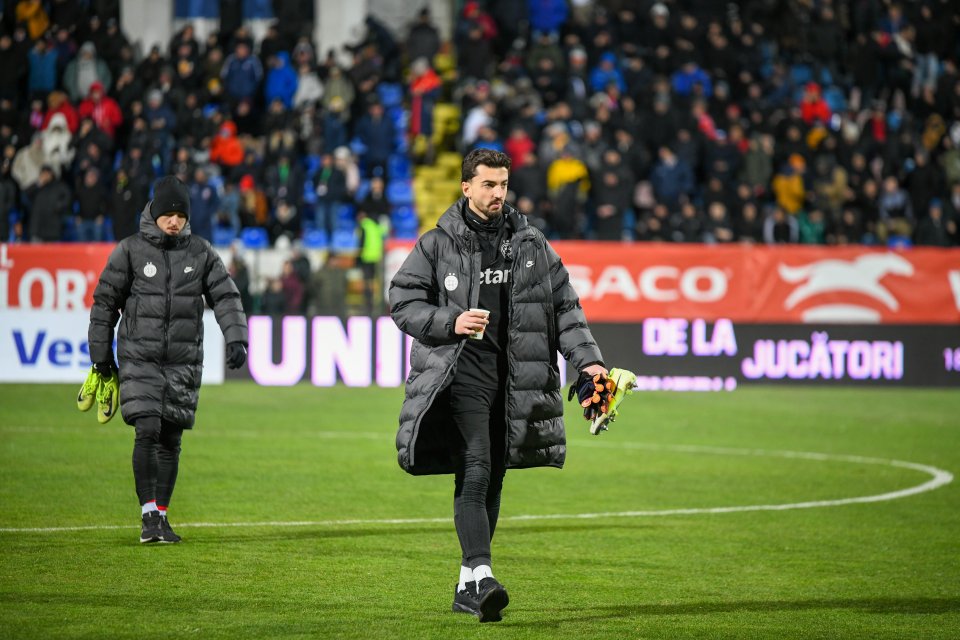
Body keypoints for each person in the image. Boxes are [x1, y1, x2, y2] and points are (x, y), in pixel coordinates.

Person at [389, 149, 606, 623]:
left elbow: (566, 309)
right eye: (488, 185)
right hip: (461, 372)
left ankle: (468, 587)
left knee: (493, 477)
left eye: (503, 184)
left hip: (513, 379)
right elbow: (402, 301)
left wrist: (589, 365)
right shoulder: (437, 243)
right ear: (466, 187)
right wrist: (451, 320)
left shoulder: (531, 243)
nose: (497, 194)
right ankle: (482, 573)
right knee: (477, 466)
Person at [86, 176, 248, 544]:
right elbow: (104, 305)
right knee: (147, 430)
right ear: (154, 213)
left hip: (183, 362)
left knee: (171, 440)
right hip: (138, 359)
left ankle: (161, 517)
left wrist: (236, 335)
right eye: (168, 214)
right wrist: (101, 355)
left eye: (180, 214)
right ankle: (147, 517)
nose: (174, 221)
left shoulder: (201, 252)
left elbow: (226, 296)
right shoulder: (128, 251)